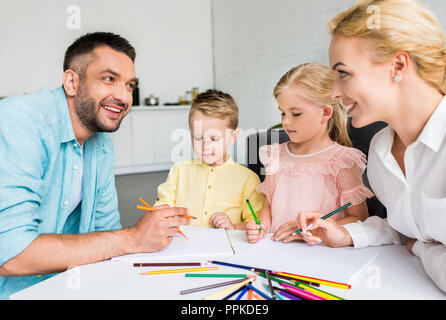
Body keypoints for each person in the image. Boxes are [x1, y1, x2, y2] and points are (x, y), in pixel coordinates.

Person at [0, 32, 190, 299]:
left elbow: (105, 233)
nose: (123, 97)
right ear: (71, 82)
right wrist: (133, 238)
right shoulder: (21, 123)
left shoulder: (100, 145)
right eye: (109, 79)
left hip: (65, 285)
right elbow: (11, 255)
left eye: (129, 86)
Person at [282, 0, 446, 295]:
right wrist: (344, 233)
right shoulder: (381, 150)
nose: (334, 92)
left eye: (343, 73)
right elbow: (409, 228)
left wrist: (424, 249)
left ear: (398, 65)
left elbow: (422, 241)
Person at [246, 62, 373, 244]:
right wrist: (262, 225)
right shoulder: (275, 155)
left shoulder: (342, 161)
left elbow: (359, 219)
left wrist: (315, 229)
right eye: (283, 113)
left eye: (296, 114)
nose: (286, 122)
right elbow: (268, 203)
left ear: (325, 113)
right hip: (276, 250)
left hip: (321, 255)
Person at [154, 89, 265, 230]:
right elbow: (163, 205)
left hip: (225, 248)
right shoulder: (179, 170)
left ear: (233, 137)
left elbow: (255, 223)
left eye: (214, 138)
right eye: (198, 137)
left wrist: (233, 226)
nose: (206, 146)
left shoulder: (248, 179)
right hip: (183, 245)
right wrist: (165, 214)